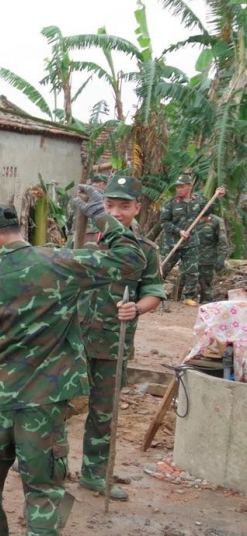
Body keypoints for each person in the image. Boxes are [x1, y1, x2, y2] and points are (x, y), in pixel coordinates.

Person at [0, 189, 146, 535]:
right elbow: (131, 260)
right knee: (43, 495)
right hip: (42, 407)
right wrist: (100, 215)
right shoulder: (59, 263)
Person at [69, 175, 166, 501]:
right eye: (109, 205)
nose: (117, 212)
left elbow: (154, 292)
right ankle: (45, 466)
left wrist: (136, 309)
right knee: (54, 405)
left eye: (124, 206)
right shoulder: (83, 244)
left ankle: (95, 474)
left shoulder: (143, 251)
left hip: (114, 343)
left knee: (103, 413)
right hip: (74, 341)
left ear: (138, 208)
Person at [159, 174, 225, 306]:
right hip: (172, 244)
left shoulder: (199, 201)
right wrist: (179, 231)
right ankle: (155, 293)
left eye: (182, 187)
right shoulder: (170, 204)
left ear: (190, 186)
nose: (179, 189)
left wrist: (216, 197)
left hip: (191, 243)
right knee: (164, 269)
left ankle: (188, 296)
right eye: (177, 187)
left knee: (192, 271)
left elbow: (208, 210)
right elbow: (164, 222)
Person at [191, 206, 229, 304]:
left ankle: (206, 303)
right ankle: (182, 299)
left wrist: (221, 258)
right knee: (185, 279)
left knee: (206, 283)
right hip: (190, 257)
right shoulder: (191, 219)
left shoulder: (216, 221)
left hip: (207, 257)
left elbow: (223, 241)